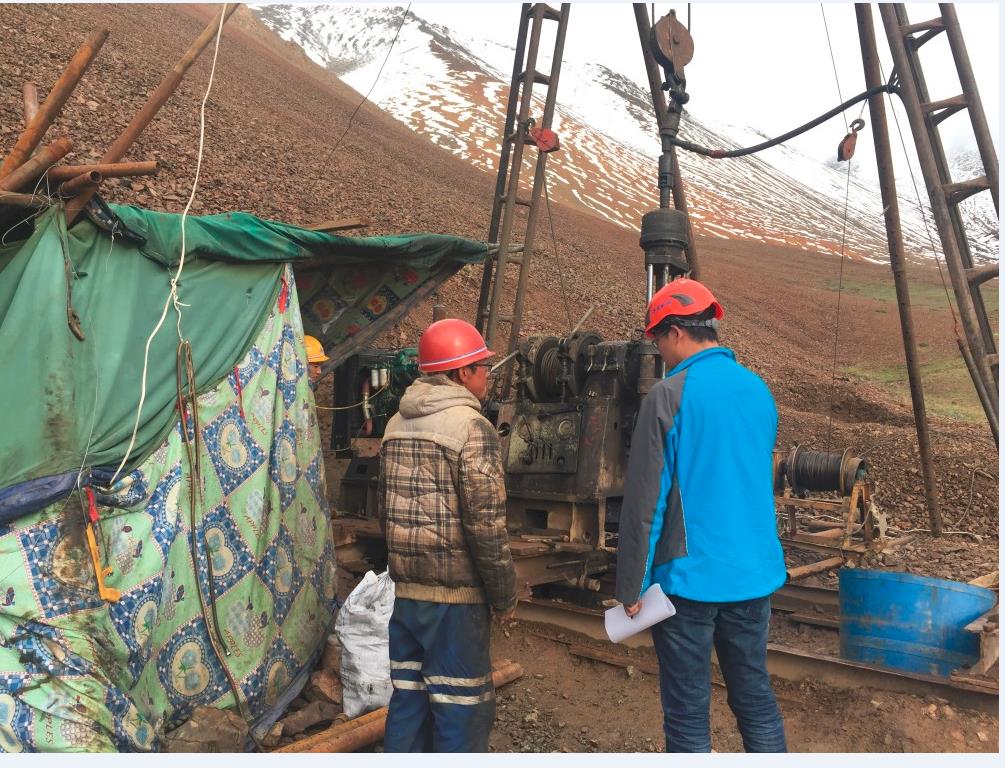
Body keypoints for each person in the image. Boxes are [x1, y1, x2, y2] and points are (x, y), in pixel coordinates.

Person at [615, 278, 787, 753]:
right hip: (753, 576)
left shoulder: (668, 395)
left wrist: (632, 585)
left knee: (688, 711)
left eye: (657, 340)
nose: (658, 351)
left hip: (689, 583)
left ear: (674, 332)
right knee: (754, 697)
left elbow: (646, 502)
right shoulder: (757, 390)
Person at [378, 317, 517, 753]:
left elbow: (385, 510)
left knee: (409, 702)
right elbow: (486, 527)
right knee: (461, 707)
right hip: (455, 602)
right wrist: (504, 598)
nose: (487, 375)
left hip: (406, 595)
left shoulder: (395, 424)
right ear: (461, 372)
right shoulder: (472, 429)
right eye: (482, 367)